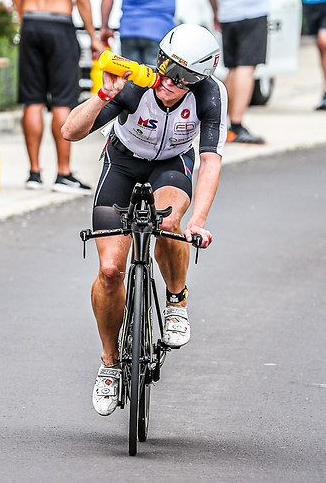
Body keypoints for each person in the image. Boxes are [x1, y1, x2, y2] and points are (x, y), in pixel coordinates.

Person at [61, 24, 224, 416]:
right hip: (122, 164)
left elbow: (210, 160)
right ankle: (109, 363)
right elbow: (70, 132)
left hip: (171, 166)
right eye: (166, 66)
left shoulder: (209, 95)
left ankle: (176, 302)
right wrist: (105, 94)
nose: (169, 80)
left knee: (169, 225)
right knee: (111, 269)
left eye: (183, 76)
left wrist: (197, 222)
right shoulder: (135, 86)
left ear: (198, 80)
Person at [11, 0, 105, 194]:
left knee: (32, 100)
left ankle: (34, 173)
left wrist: (24, 16)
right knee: (63, 100)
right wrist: (92, 36)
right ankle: (63, 173)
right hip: (60, 24)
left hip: (31, 20)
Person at [205, 0, 268, 144]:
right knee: (246, 68)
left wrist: (216, 9)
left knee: (233, 69)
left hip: (227, 14)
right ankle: (236, 126)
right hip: (252, 12)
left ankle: (218, 124)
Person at [100, 0, 176, 65]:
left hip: (129, 29)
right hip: (159, 30)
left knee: (130, 73)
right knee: (154, 75)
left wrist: (104, 27)